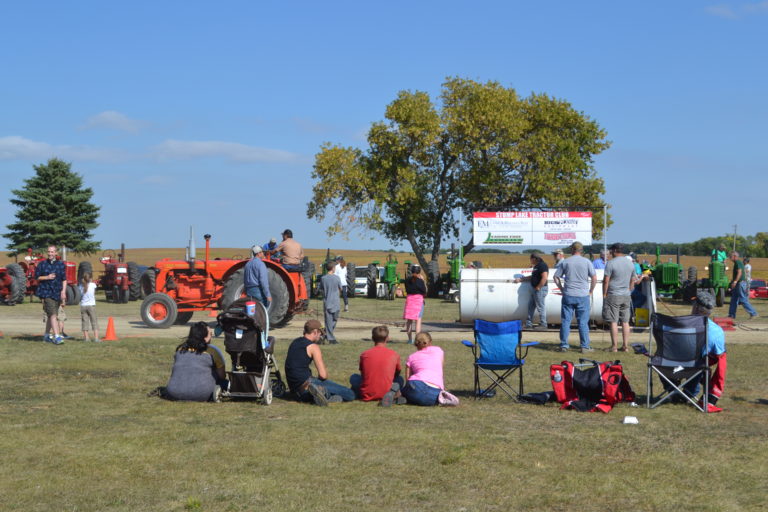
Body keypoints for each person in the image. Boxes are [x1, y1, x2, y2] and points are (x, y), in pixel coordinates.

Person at [284, 319, 355, 406]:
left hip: (295, 391)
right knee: (350, 394)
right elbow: (323, 375)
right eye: (320, 333)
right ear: (315, 332)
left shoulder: (294, 342)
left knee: (338, 396)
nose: (321, 335)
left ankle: (323, 396)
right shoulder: (313, 347)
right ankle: (322, 392)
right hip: (307, 384)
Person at [683, 290, 727, 413]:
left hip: (668, 365)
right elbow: (719, 355)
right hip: (696, 366)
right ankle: (688, 392)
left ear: (696, 307)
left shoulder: (677, 324)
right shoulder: (717, 331)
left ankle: (673, 390)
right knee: (702, 363)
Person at [164, 322, 227, 402]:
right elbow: (222, 376)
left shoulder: (180, 350)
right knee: (224, 382)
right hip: (201, 394)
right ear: (205, 337)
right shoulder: (212, 351)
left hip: (173, 392)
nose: (211, 337)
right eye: (210, 334)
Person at [553, 241, 597, 353]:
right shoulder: (587, 262)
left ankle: (564, 345)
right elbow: (594, 278)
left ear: (572, 250)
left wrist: (562, 289)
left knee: (566, 321)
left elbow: (556, 277)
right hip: (583, 295)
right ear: (581, 251)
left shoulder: (566, 262)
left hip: (568, 294)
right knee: (583, 322)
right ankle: (584, 346)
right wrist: (590, 290)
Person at [349, 325, 405, 406]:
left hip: (367, 393)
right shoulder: (394, 354)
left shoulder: (364, 354)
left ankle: (358, 392)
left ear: (372, 338)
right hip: (387, 389)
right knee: (400, 379)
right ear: (387, 338)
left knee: (353, 377)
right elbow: (397, 372)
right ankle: (393, 393)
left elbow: (363, 373)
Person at [402, 332, 459, 406]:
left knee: (406, 390)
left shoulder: (411, 357)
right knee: (430, 400)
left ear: (416, 344)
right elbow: (440, 367)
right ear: (430, 342)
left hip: (415, 384)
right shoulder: (438, 350)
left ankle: (399, 395)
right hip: (434, 390)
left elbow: (408, 378)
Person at [602, 243, 635, 352]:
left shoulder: (611, 263)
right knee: (626, 322)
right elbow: (632, 280)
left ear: (615, 250)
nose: (610, 253)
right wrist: (629, 289)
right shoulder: (630, 263)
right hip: (626, 295)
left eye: (611, 251)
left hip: (613, 294)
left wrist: (604, 294)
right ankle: (625, 346)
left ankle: (614, 346)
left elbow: (606, 280)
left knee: (613, 321)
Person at [35, 245, 67, 345]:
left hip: (57, 292)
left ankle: (46, 335)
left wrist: (63, 291)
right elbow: (37, 277)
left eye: (52, 252)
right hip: (46, 292)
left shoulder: (60, 264)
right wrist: (47, 277)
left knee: (51, 315)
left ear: (56, 253)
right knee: (53, 314)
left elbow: (64, 279)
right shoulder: (42, 264)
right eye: (49, 252)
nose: (50, 254)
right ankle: (57, 336)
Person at [514, 252, 548, 330]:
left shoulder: (542, 265)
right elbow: (532, 277)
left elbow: (544, 277)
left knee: (540, 306)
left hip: (540, 289)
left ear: (535, 259)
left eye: (531, 259)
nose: (530, 261)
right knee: (531, 306)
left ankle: (543, 324)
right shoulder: (536, 266)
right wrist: (521, 279)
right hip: (535, 289)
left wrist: (538, 287)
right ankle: (529, 324)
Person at [727, 251, 758, 320]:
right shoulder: (737, 263)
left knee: (743, 299)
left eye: (730, 256)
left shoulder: (738, 262)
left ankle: (753, 313)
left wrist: (735, 281)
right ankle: (731, 315)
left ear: (734, 256)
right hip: (738, 283)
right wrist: (733, 282)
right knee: (733, 300)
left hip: (740, 283)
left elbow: (739, 272)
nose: (729, 258)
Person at [403, 264, 427, 343]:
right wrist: (423, 281)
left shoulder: (407, 280)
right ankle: (417, 340)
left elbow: (407, 290)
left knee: (409, 321)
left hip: (409, 300)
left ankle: (410, 339)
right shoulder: (420, 281)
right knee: (418, 321)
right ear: (419, 271)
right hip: (418, 301)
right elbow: (424, 291)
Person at [320, 262, 343, 344]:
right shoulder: (337, 278)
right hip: (335, 301)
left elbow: (321, 289)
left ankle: (325, 334)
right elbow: (340, 289)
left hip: (327, 302)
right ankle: (331, 339)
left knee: (330, 320)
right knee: (332, 320)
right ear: (333, 268)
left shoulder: (323, 278)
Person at [78, 271, 100, 342]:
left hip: (83, 305)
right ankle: (96, 338)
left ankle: (86, 338)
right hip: (91, 305)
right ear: (90, 278)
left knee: (85, 322)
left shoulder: (81, 286)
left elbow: (80, 295)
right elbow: (94, 291)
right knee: (94, 321)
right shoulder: (93, 285)